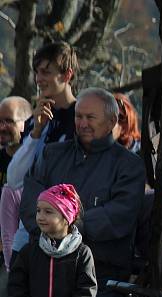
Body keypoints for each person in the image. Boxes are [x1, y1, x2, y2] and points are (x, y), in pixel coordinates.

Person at [19, 87, 145, 297]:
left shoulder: (129, 165)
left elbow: (119, 215)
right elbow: (31, 203)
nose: (83, 123)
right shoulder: (52, 154)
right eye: (79, 116)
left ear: (112, 121)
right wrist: (52, 224)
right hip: (47, 277)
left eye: (91, 117)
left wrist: (63, 225)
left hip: (101, 281)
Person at [7, 42, 78, 268]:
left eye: (46, 71)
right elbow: (14, 178)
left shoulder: (81, 120)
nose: (39, 79)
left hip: (63, 239)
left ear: (67, 74)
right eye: (37, 71)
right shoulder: (36, 120)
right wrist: (36, 133)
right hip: (26, 235)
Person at [0, 96, 32, 269]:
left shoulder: (37, 162)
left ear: (26, 123)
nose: (1, 127)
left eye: (8, 121)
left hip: (20, 258)